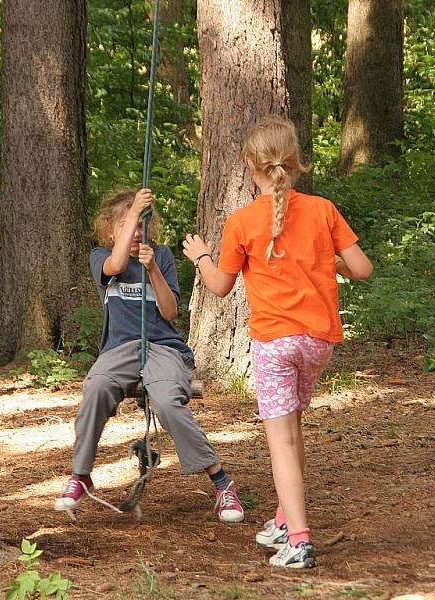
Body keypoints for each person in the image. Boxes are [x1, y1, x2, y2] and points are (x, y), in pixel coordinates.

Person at [182, 115, 373, 568]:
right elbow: (361, 268)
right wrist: (329, 261)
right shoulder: (323, 209)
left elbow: (220, 285)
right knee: (292, 432)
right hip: (316, 343)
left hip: (274, 344)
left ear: (251, 164)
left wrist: (201, 256)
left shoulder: (243, 221)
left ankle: (300, 540)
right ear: (295, 161)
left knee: (282, 442)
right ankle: (285, 520)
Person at [54, 188, 245, 524]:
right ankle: (81, 475)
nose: (137, 230)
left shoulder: (161, 255)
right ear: (111, 230)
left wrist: (154, 269)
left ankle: (222, 482)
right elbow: (115, 264)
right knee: (96, 387)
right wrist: (133, 213)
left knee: (168, 401)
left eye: (142, 223)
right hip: (120, 349)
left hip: (163, 348)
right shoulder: (102, 256)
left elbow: (170, 312)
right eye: (128, 224)